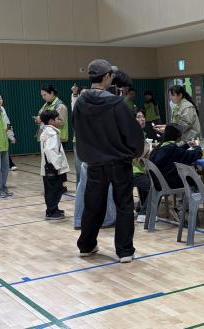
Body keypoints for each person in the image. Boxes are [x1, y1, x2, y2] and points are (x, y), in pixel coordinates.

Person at [72, 59, 144, 263]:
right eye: (111, 75)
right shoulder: (116, 103)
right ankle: (124, 251)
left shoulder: (80, 103)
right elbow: (131, 132)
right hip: (118, 162)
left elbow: (78, 129)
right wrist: (136, 151)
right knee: (124, 205)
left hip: (94, 163)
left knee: (93, 204)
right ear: (106, 77)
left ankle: (86, 245)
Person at [149, 124, 202, 190]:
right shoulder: (173, 149)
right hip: (169, 183)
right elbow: (191, 156)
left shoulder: (159, 147)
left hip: (158, 181)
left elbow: (176, 152)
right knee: (193, 177)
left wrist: (187, 145)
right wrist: (198, 147)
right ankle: (197, 195)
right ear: (179, 136)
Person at [38, 110, 68, 220]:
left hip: (50, 167)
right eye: (57, 119)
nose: (60, 120)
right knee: (54, 189)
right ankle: (51, 211)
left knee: (53, 189)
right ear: (51, 121)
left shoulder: (47, 132)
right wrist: (58, 165)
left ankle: (54, 208)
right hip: (53, 168)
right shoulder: (52, 134)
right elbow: (49, 150)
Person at [132, 110, 152, 223]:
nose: (142, 119)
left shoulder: (141, 133)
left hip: (138, 170)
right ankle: (144, 213)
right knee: (154, 187)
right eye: (138, 117)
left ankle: (140, 208)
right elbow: (136, 157)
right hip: (134, 171)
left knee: (147, 180)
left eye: (143, 117)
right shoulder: (135, 134)